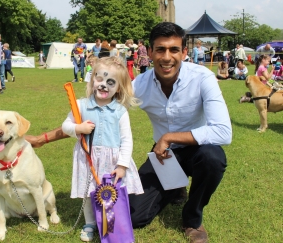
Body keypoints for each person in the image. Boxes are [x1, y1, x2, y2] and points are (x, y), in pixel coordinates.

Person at [25, 22, 232, 243]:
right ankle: (175, 186)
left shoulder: (202, 78)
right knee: (133, 216)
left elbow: (222, 132)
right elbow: (96, 116)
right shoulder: (139, 85)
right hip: (165, 156)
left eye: (174, 50)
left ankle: (192, 219)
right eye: (160, 49)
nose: (167, 57)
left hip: (197, 149)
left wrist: (168, 137)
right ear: (150, 53)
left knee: (213, 158)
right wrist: (41, 139)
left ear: (184, 52)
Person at [61, 56, 143, 242]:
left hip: (112, 161)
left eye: (110, 82)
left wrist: (122, 165)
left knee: (111, 194)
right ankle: (90, 223)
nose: (104, 85)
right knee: (90, 193)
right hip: (87, 159)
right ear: (92, 79)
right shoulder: (81, 105)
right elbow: (65, 125)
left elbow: (126, 140)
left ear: (119, 88)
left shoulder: (120, 111)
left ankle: (111, 225)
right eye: (99, 79)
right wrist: (77, 128)